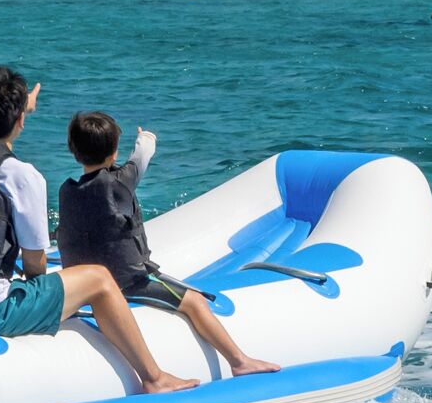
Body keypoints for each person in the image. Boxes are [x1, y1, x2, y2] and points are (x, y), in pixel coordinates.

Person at [0, 66, 198, 392]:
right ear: (20, 120)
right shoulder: (22, 174)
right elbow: (35, 265)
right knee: (98, 278)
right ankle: (154, 378)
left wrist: (21, 106)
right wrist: (50, 299)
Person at [60, 111, 280, 377]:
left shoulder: (67, 190)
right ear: (114, 152)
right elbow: (143, 153)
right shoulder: (120, 182)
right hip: (127, 281)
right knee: (195, 301)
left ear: (74, 151)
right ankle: (239, 361)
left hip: (82, 285)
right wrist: (145, 136)